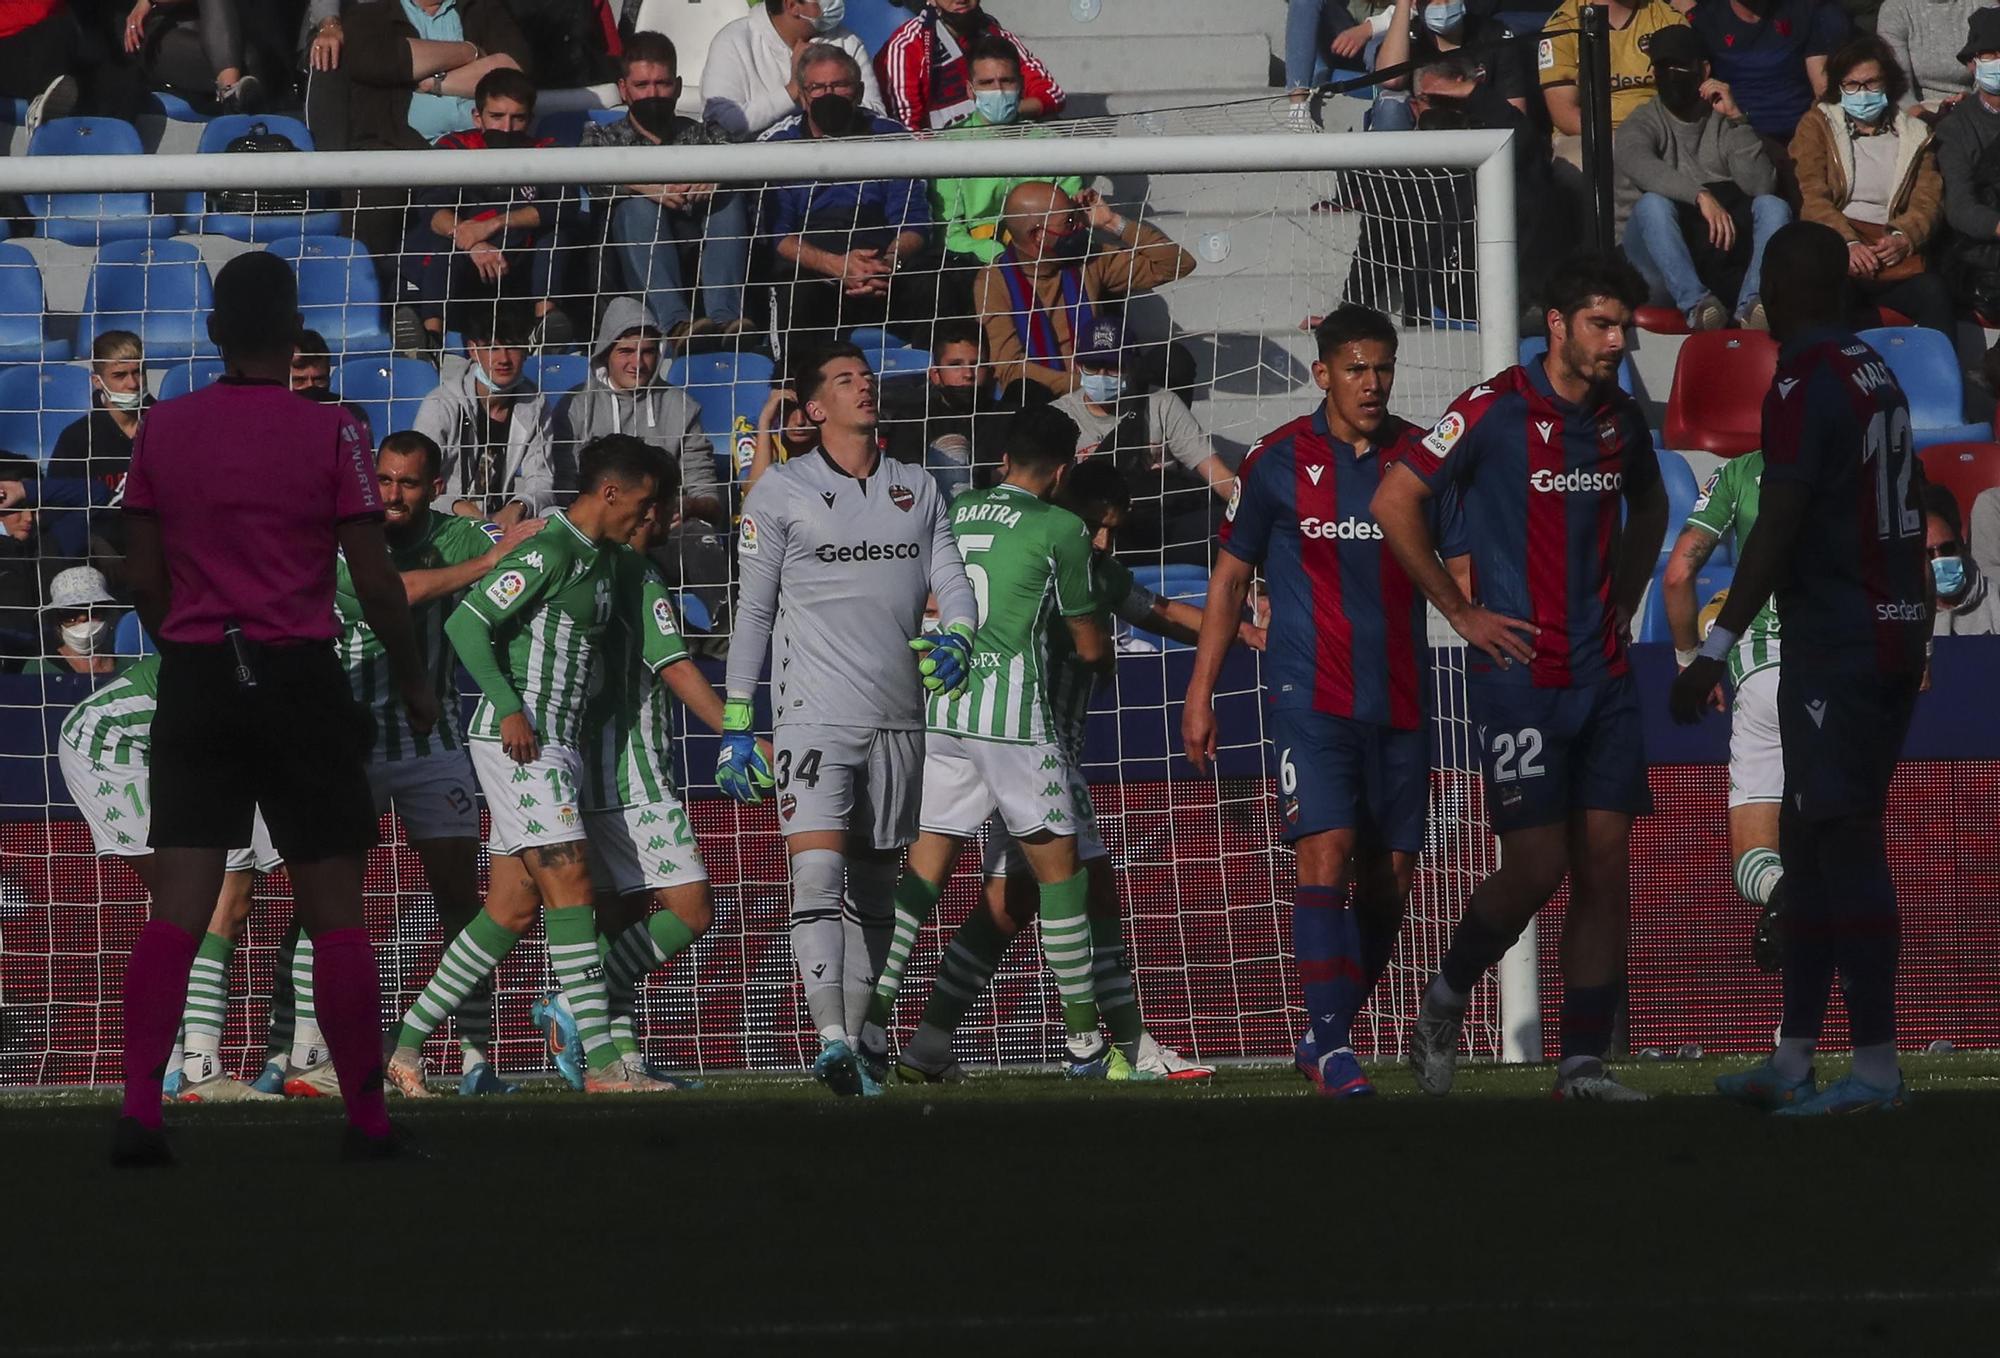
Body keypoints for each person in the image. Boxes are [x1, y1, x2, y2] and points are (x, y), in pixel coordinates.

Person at [112, 250, 433, 1165]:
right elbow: (373, 579)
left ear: (211, 333)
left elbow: (141, 570)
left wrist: (180, 631)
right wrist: (410, 677)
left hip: (202, 674)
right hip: (299, 676)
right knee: (335, 908)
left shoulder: (163, 429)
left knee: (178, 904)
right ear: (295, 335)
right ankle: (367, 1121)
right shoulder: (334, 432)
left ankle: (140, 1111)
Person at [1373, 253, 1667, 1103]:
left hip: (1604, 676)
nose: (1618, 341)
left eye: (1625, 326)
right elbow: (1395, 499)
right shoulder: (1495, 409)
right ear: (1559, 326)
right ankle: (1445, 998)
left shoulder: (1620, 419)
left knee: (1605, 869)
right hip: (1519, 678)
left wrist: (1628, 595)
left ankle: (1581, 1066)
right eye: (1603, 325)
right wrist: (1459, 614)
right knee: (1538, 865)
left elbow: (1648, 506)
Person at [1672, 220, 1930, 1114]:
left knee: (1845, 841)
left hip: (1842, 640)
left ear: (1785, 292)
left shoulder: (1805, 375)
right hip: (1885, 626)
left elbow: (1777, 522)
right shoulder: (1873, 367)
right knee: (1811, 839)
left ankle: (1877, 1071)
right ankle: (1793, 1057)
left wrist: (1713, 648)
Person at [880, 459, 1246, 1082]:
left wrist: (1251, 633)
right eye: (1096, 527)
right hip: (1030, 743)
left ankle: (926, 1041)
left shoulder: (1065, 560)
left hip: (968, 730)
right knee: (1090, 885)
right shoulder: (1063, 564)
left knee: (1009, 899)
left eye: (1111, 531)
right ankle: (1125, 1045)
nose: (1102, 540)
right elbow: (1122, 629)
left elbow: (1156, 610)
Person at [1182, 306, 1455, 1098]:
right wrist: (1201, 694)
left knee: (1393, 878)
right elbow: (1232, 578)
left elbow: (1464, 568)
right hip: (1310, 694)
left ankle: (1320, 1035)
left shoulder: (1420, 458)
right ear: (1323, 373)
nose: (1372, 383)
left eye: (1383, 368)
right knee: (1325, 852)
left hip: (1403, 695)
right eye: (1357, 368)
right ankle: (1335, 1048)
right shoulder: (1276, 462)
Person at [850, 403, 1147, 1080]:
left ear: (1003, 458)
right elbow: (1089, 641)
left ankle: (871, 1031)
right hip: (1015, 722)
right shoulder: (1063, 527)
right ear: (1065, 469)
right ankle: (1083, 1047)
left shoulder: (955, 510)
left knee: (920, 881)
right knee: (1062, 876)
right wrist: (1100, 661)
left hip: (943, 709)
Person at [717, 341, 977, 1096]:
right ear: (813, 409)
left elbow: (951, 580)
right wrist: (739, 723)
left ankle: (861, 1045)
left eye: (866, 377)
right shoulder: (779, 491)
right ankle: (829, 1035)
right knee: (817, 871)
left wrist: (958, 636)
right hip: (812, 717)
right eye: (843, 380)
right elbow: (754, 611)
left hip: (901, 717)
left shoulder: (918, 486)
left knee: (873, 891)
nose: (862, 387)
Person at [387, 434, 666, 1097]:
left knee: (510, 912)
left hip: (556, 740)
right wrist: (509, 705)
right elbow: (465, 625)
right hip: (519, 740)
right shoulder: (551, 549)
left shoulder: (598, 558)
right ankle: (603, 1066)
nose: (649, 517)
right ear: (610, 494)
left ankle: (402, 1049)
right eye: (644, 503)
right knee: (572, 885)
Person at [318, 429, 541, 1097]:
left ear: (435, 488)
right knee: (331, 908)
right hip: (348, 746)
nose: (392, 494)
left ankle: (475, 1058)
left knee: (459, 901)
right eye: (383, 480)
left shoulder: (458, 533)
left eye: (408, 482)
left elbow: (534, 541)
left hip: (434, 742)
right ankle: (314, 1053)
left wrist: (518, 518)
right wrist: (490, 553)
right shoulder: (345, 541)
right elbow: (396, 591)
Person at [539, 467, 773, 1091]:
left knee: (620, 918)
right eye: (659, 507)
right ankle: (578, 1011)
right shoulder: (639, 576)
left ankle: (618, 1060)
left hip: (587, 765)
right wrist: (737, 730)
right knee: (692, 909)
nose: (664, 518)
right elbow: (674, 667)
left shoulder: (592, 566)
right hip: (632, 773)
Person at [57, 651, 286, 1102]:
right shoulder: (256, 644)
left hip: (207, 751)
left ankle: (196, 1068)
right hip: (115, 746)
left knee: (231, 899)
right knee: (185, 905)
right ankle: (189, 1070)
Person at [1663, 449, 1788, 970]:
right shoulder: (1863, 458)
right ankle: (1861, 1040)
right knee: (1849, 846)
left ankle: (1786, 895)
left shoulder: (1741, 472)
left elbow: (1676, 574)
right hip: (1847, 673)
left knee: (1755, 856)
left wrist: (1691, 660)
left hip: (1765, 674)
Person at [556, 298, 730, 606]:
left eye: (648, 351)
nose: (638, 363)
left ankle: (725, 631)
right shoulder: (576, 406)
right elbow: (565, 491)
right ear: (606, 353)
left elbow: (710, 500)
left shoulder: (682, 408)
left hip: (665, 531)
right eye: (626, 351)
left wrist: (685, 506)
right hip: (598, 533)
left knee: (699, 536)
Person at [760, 44, 938, 347]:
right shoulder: (777, 145)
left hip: (881, 266)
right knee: (795, 293)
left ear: (858, 91)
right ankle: (791, 385)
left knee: (934, 283)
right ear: (803, 96)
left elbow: (915, 222)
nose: (828, 94)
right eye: (817, 87)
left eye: (840, 85)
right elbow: (777, 235)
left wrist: (884, 265)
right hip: (815, 271)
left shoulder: (890, 136)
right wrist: (837, 267)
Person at [583, 31, 752, 346]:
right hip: (632, 247)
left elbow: (743, 159)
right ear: (623, 89)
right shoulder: (602, 136)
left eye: (661, 84)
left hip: (696, 234)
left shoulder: (701, 132)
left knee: (728, 199)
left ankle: (726, 321)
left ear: (676, 86)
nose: (653, 94)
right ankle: (675, 325)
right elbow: (589, 174)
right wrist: (647, 187)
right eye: (642, 85)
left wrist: (717, 177)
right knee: (636, 205)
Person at [1617, 25, 1791, 330]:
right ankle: (1697, 306)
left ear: (1704, 70)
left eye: (1680, 67)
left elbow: (1760, 185)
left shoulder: (1723, 121)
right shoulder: (1642, 120)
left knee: (1774, 206)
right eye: (1661, 68)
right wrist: (1700, 195)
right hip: (1655, 265)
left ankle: (1752, 304)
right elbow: (1638, 162)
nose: (1670, 76)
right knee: (1653, 204)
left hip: (1720, 255)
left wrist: (1737, 120)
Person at [393, 68, 572, 357]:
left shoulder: (544, 151)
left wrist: (493, 224)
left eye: (518, 118)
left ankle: (546, 326)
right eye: (497, 116)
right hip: (464, 255)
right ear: (478, 117)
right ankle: (430, 341)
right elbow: (431, 207)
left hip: (517, 259)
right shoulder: (454, 148)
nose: (507, 128)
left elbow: (563, 203)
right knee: (438, 243)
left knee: (556, 235)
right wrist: (471, 240)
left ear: (530, 119)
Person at [972, 181, 1197, 401]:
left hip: (1107, 383)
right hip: (1046, 400)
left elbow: (1178, 264)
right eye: (1070, 221)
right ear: (1038, 235)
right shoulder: (994, 280)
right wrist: (1086, 385)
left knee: (1174, 361)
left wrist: (1111, 222)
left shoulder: (1088, 260)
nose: (1079, 224)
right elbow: (1009, 370)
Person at [1791, 36, 1951, 337]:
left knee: (1933, 291)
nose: (1861, 93)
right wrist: (1847, 244)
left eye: (1871, 83)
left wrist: (1904, 237)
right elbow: (1812, 194)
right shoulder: (1817, 125)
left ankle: (1943, 378)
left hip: (1892, 251)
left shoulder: (1916, 134)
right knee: (1831, 296)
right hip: (1839, 249)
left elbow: (1928, 199)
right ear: (1839, 87)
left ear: (1887, 84)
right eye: (1852, 85)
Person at [1051, 314, 1232, 559]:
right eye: (1093, 366)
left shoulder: (1161, 403)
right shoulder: (1058, 415)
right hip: (1090, 530)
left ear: (1132, 366)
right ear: (1077, 365)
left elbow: (1217, 474)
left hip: (1157, 523)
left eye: (1114, 367)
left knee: (1232, 528)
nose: (1103, 375)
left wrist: (1253, 512)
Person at [927, 34, 1083, 308]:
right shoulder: (947, 146)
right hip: (976, 263)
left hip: (1045, 257)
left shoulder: (1051, 145)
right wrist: (997, 254)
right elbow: (949, 230)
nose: (997, 90)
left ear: (1021, 86)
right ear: (970, 90)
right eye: (986, 83)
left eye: (1006, 81)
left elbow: (1072, 218)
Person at [413, 303, 563, 526]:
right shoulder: (440, 404)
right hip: (445, 520)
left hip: (505, 521)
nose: (503, 359)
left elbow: (541, 480)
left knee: (555, 517)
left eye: (512, 347)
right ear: (473, 351)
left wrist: (519, 506)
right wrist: (457, 506)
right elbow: (417, 483)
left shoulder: (536, 405)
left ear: (526, 351)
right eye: (492, 348)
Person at [1688, 0, 1849, 170]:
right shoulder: (1706, 18)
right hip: (1738, 136)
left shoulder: (1805, 10)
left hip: (1800, 137)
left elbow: (1822, 88)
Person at [1540, 0, 1691, 173]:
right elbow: (1564, 114)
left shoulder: (1668, 18)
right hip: (1586, 137)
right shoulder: (1563, 24)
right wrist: (1626, 142)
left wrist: (1650, 140)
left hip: (1660, 134)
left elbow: (1687, 98)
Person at [702, 0, 884, 142]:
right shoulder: (733, 40)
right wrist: (793, 91)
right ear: (792, 5)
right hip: (759, 177)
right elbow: (722, 122)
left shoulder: (847, 41)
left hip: (844, 165)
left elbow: (875, 113)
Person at [876, 0, 1065, 132]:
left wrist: (1004, 110)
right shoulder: (907, 45)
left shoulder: (995, 33)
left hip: (1008, 143)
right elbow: (906, 128)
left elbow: (1052, 94)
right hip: (942, 160)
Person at [45, 330, 149, 565]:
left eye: (138, 372)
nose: (132, 384)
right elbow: (57, 510)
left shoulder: (169, 425)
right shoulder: (77, 438)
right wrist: (93, 542)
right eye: (120, 375)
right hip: (100, 554)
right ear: (97, 381)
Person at [1373, 0, 1536, 133]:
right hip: (1420, 144)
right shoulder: (1406, 39)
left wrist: (1469, 92)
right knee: (1390, 104)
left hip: (1482, 141)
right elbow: (1391, 80)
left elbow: (1516, 118)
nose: (1442, 4)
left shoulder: (1495, 35)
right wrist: (1403, 4)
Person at [1935, 11, 2000, 311]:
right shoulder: (1956, 126)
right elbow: (1960, 207)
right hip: (1984, 256)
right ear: (1973, 63)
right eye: (1991, 54)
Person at [121, 0, 278, 112]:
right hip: (154, 33)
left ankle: (230, 95)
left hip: (220, 37)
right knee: (249, 63)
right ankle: (231, 95)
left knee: (250, 60)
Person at [1875, 0, 1984, 116]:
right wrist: (1926, 117)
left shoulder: (1983, 5)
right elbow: (1900, 86)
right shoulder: (1895, 8)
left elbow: (1991, 74)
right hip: (1916, 111)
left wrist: (1974, 101)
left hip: (1973, 104)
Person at [1926, 483, 2000, 634]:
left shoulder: (1996, 599)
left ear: (1960, 548)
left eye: (1947, 549)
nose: (1939, 559)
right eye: (1928, 554)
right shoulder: (1898, 616)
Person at [26, 564, 121, 676]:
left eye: (93, 609)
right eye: (70, 612)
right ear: (56, 622)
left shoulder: (130, 666)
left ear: (107, 613)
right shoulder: (39, 669)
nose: (83, 618)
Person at [745, 382, 819, 489]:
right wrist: (765, 422)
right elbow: (754, 494)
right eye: (788, 407)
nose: (799, 421)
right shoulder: (751, 428)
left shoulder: (831, 430)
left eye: (808, 407)